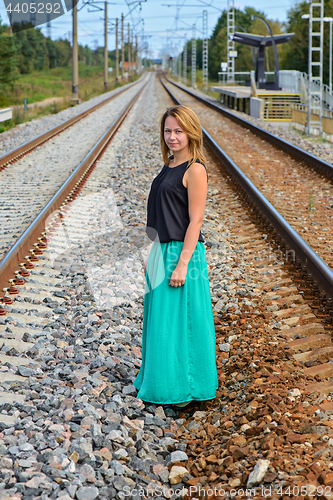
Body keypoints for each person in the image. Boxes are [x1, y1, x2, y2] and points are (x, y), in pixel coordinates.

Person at [133, 104, 218, 412]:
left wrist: (182, 263)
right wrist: (152, 252)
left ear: (191, 132)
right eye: (168, 131)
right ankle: (160, 382)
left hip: (183, 252)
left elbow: (195, 220)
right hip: (162, 250)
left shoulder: (195, 169)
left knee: (180, 323)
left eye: (179, 131)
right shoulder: (169, 164)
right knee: (161, 323)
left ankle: (184, 390)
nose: (172, 137)